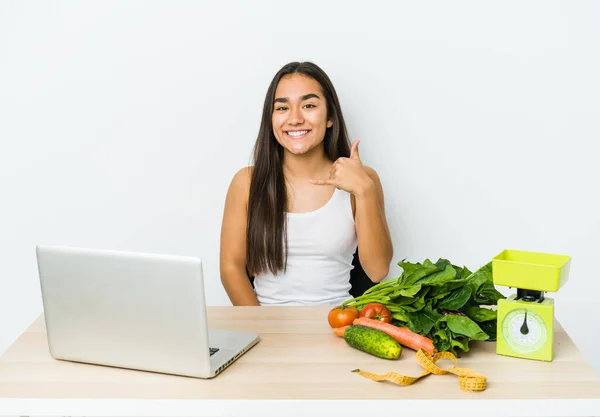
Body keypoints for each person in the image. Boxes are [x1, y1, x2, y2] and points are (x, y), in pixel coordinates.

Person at [219, 61, 393, 306]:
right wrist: (262, 331)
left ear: (330, 117)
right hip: (266, 329)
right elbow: (231, 268)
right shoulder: (246, 182)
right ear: (271, 119)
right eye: (282, 108)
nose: (295, 119)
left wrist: (364, 190)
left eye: (309, 105)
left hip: (337, 325)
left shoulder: (364, 180)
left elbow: (377, 270)